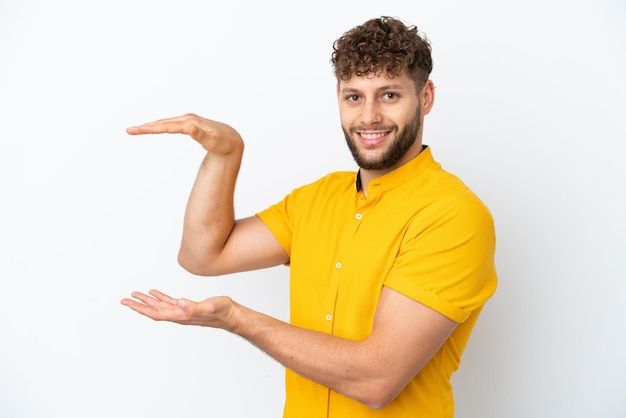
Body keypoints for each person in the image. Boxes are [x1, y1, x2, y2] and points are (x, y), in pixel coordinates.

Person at [121, 16, 497, 418]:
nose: (369, 117)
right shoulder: (316, 198)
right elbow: (202, 256)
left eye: (389, 95)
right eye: (354, 97)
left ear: (425, 97)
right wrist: (225, 155)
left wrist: (238, 319)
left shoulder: (452, 215)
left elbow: (376, 380)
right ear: (338, 96)